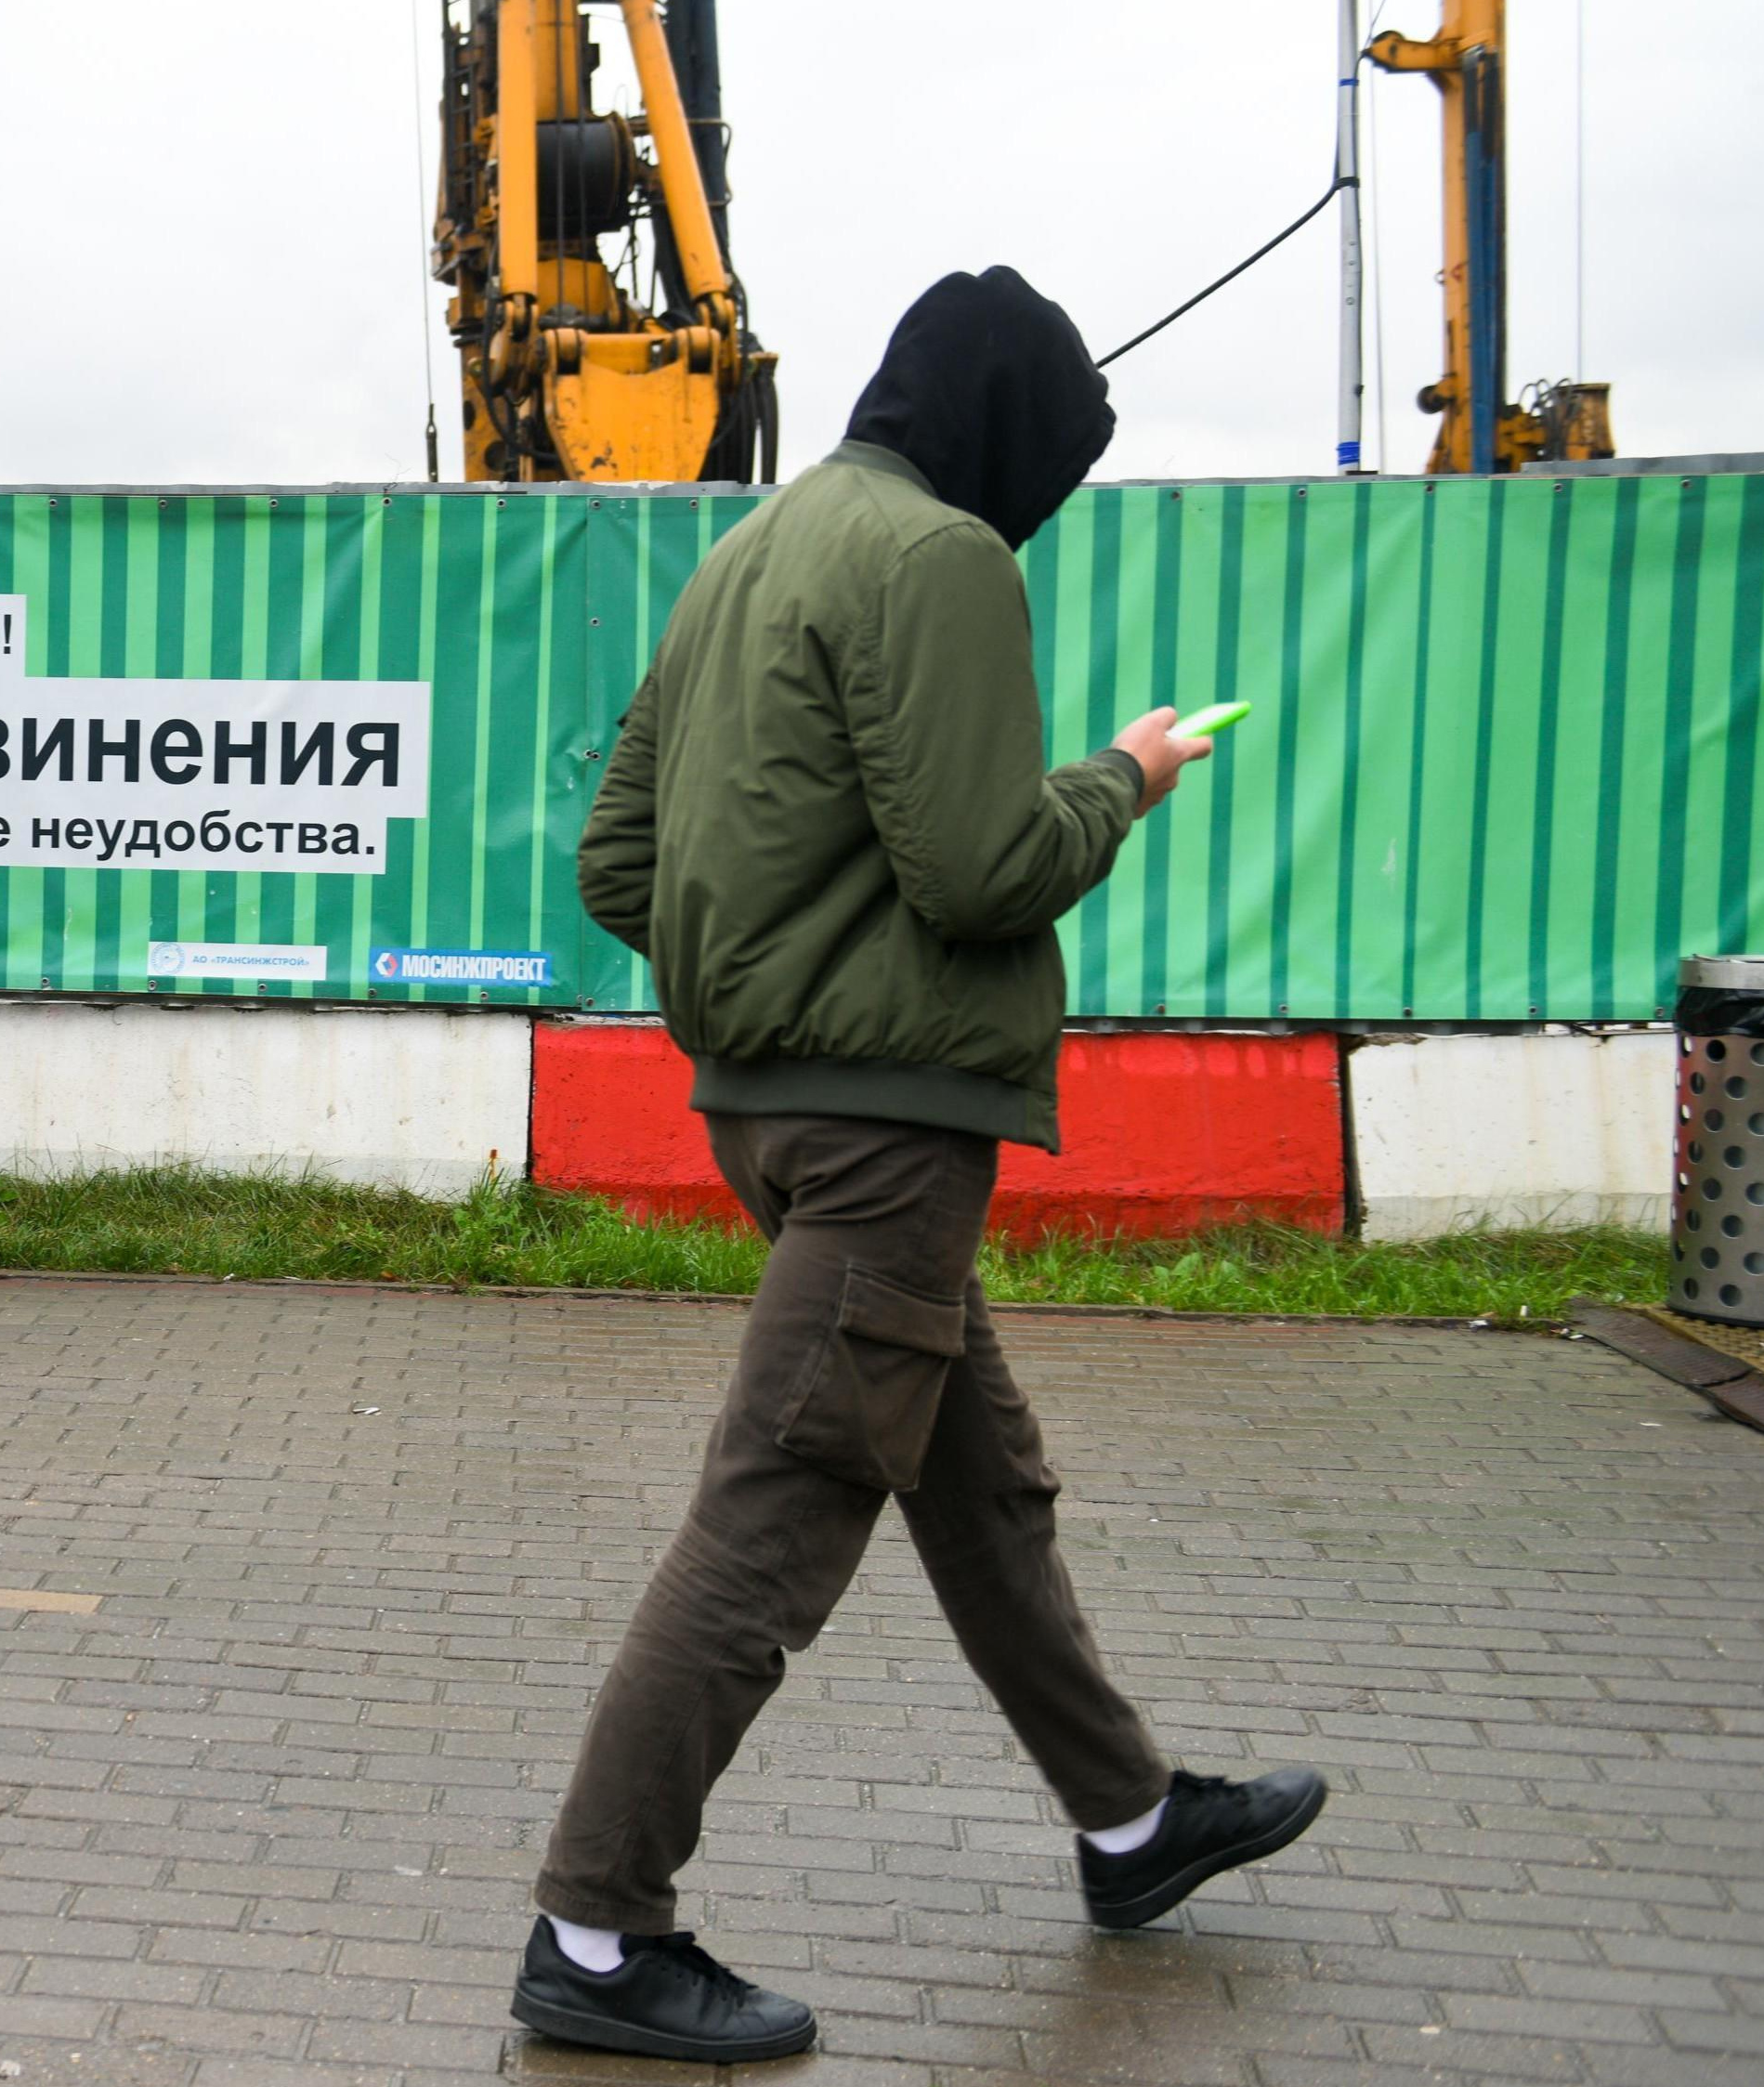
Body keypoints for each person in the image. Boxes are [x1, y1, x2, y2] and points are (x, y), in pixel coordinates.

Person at [510, 267, 1327, 2066]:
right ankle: (593, 1921)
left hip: (769, 1106)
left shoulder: (750, 553)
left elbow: (614, 860)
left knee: (976, 1479)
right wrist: (1119, 775)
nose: (1036, 503)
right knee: (777, 1510)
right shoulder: (941, 561)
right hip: (888, 1130)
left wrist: (758, 972)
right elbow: (975, 869)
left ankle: (1127, 1821)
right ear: (1003, 435)